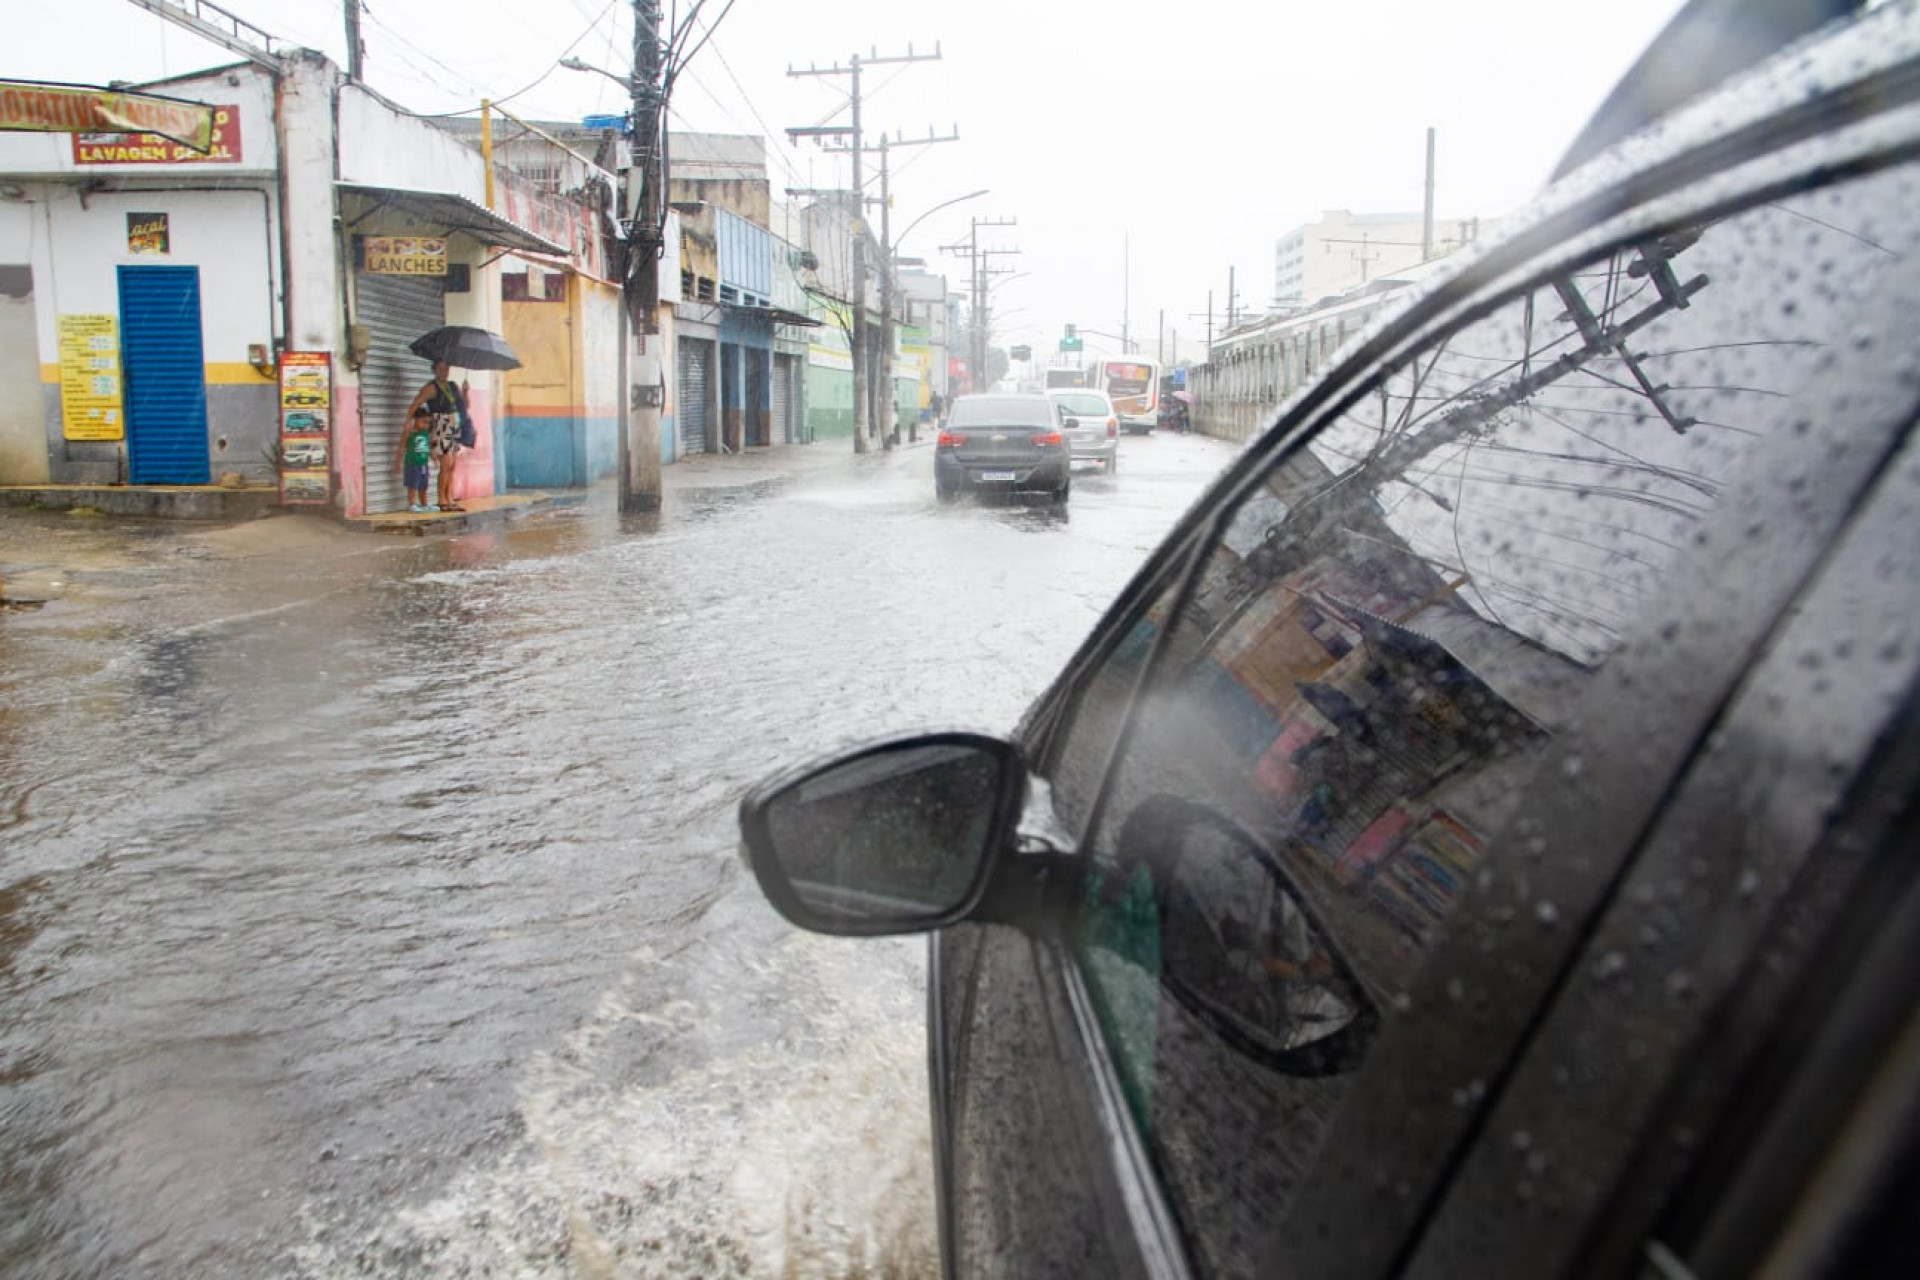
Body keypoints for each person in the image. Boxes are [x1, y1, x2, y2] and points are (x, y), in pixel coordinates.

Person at [405, 360, 468, 513]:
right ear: (434, 370)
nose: (444, 371)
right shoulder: (431, 387)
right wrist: (409, 421)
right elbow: (416, 402)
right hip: (441, 425)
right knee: (445, 463)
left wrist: (465, 392)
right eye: (440, 368)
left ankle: (450, 498)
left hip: (454, 425)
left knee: (452, 465)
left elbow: (464, 406)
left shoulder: (453, 386)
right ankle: (441, 499)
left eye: (446, 368)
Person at [395, 405, 433, 513]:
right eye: (424, 421)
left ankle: (424, 504)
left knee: (423, 485)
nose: (426, 425)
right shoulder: (409, 432)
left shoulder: (426, 433)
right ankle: (412, 504)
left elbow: (428, 446)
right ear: (416, 420)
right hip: (412, 463)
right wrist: (398, 462)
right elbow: (402, 447)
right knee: (412, 484)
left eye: (428, 422)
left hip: (423, 463)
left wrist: (433, 457)